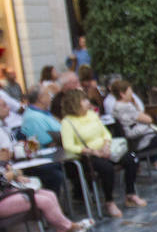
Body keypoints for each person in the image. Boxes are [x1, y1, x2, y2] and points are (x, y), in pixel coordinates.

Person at [60, 89, 144, 218]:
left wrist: (106, 145)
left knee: (131, 158)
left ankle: (130, 193)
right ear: (75, 103)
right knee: (107, 168)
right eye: (84, 100)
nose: (88, 102)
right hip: (88, 156)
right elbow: (69, 145)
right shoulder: (67, 122)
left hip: (105, 149)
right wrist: (93, 151)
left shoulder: (91, 114)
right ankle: (109, 201)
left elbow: (105, 133)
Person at [0, 94, 64, 194]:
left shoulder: (1, 124)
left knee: (54, 167)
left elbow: (11, 144)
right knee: (53, 173)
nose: (8, 108)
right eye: (4, 106)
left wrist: (21, 147)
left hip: (15, 163)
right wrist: (10, 154)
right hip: (8, 168)